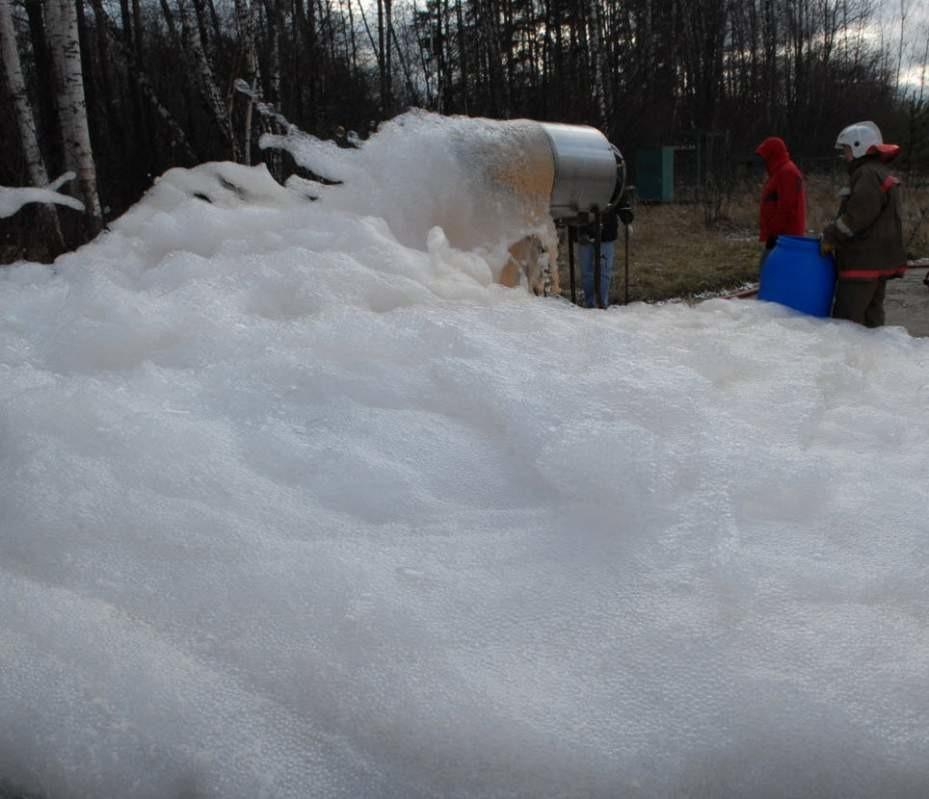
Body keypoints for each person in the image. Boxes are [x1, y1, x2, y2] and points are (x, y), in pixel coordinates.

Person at [820, 121, 907, 328]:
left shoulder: (866, 174)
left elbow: (857, 216)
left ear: (859, 147)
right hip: (881, 260)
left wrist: (830, 236)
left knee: (846, 324)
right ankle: (873, 360)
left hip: (862, 261)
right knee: (872, 322)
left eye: (847, 150)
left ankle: (847, 361)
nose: (845, 156)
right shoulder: (880, 171)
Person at [755, 136, 807, 267]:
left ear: (772, 155)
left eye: (765, 156)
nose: (763, 160)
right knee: (770, 269)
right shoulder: (780, 172)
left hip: (785, 238)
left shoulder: (786, 172)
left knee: (769, 270)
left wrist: (774, 232)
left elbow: (786, 207)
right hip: (781, 236)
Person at [577, 206, 619, 308]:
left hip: (606, 229)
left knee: (603, 270)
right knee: (586, 271)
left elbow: (619, 196)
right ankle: (590, 302)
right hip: (583, 227)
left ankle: (601, 302)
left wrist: (625, 211)